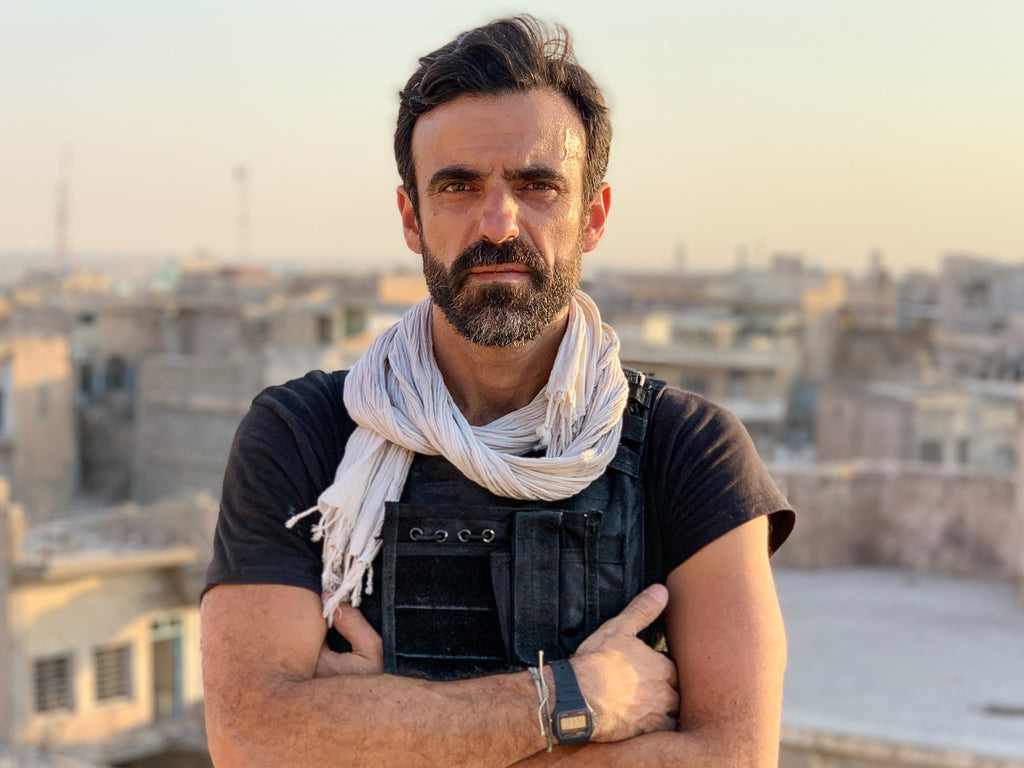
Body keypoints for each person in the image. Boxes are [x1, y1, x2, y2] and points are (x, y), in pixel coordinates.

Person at [201, 15, 794, 767]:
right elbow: (252, 740)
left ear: (593, 216)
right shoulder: (304, 435)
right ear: (412, 218)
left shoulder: (688, 452)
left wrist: (375, 730)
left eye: (538, 185)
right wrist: (575, 701)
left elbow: (735, 759)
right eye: (458, 187)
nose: (498, 222)